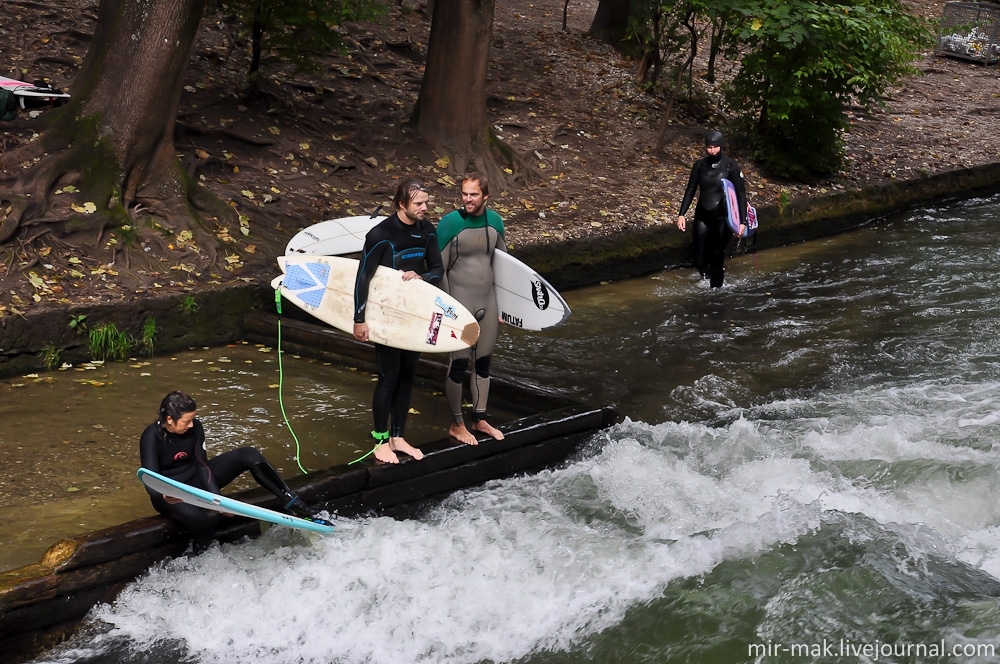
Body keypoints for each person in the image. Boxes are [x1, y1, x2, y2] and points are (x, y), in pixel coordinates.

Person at [139, 390, 329, 550]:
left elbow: (202, 465)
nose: (191, 424)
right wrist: (166, 493)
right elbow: (149, 480)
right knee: (203, 523)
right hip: (168, 494)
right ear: (170, 419)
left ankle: (291, 501)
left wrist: (217, 500)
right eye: (186, 421)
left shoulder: (195, 428)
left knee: (248, 455)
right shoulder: (151, 436)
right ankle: (201, 556)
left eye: (193, 419)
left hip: (195, 483)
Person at [353, 177, 444, 464]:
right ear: (401, 203)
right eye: (418, 203)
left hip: (414, 314)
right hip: (386, 316)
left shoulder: (427, 231)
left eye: (426, 202)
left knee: (407, 376)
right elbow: (362, 277)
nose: (424, 207)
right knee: (388, 377)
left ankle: (398, 436)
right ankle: (380, 441)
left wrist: (423, 277)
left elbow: (438, 269)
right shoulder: (380, 234)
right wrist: (360, 319)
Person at [436, 173, 507, 445]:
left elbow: (504, 266)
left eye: (473, 194)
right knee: (459, 363)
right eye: (464, 193)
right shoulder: (451, 224)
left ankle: (480, 419)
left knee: (484, 363)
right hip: (459, 305)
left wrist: (506, 307)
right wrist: (446, 307)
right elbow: (438, 269)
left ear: (485, 196)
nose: (467, 199)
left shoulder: (495, 222)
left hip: (488, 303)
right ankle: (457, 424)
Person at [676, 130, 748, 288]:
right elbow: (690, 190)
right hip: (703, 215)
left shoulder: (731, 166)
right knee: (700, 258)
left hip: (723, 217)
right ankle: (708, 277)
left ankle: (717, 290)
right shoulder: (700, 165)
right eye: (709, 147)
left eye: (716, 147)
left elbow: (741, 194)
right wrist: (682, 214)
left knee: (716, 253)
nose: (713, 150)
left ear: (721, 146)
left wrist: (742, 221)